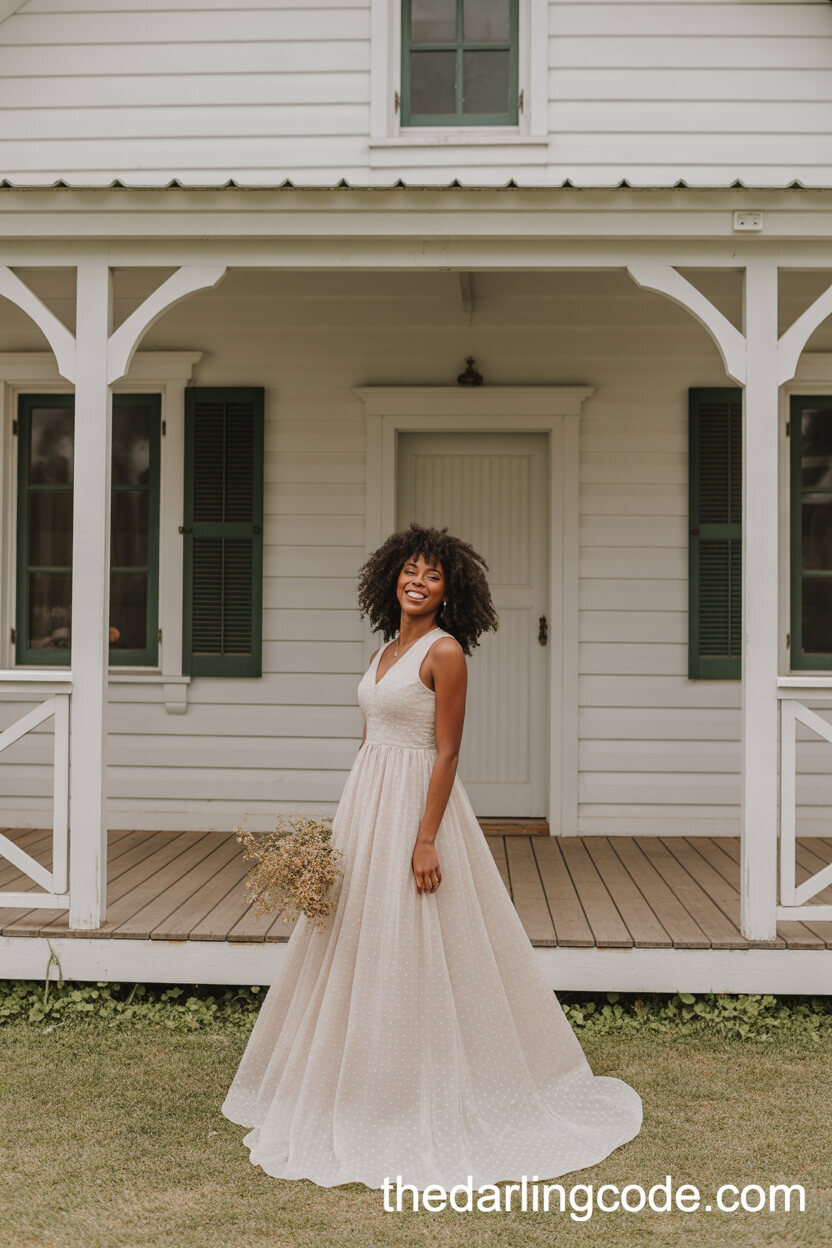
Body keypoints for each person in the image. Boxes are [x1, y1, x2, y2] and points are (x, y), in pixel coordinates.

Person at [221, 522, 642, 1189]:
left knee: (417, 937)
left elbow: (445, 751)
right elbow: (371, 740)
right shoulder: (385, 650)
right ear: (392, 577)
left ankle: (418, 1091)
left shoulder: (446, 654)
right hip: (368, 802)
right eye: (410, 570)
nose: (418, 582)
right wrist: (343, 829)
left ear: (450, 592)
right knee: (357, 936)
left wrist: (423, 838)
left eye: (433, 575)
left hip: (418, 804)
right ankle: (356, 1086)